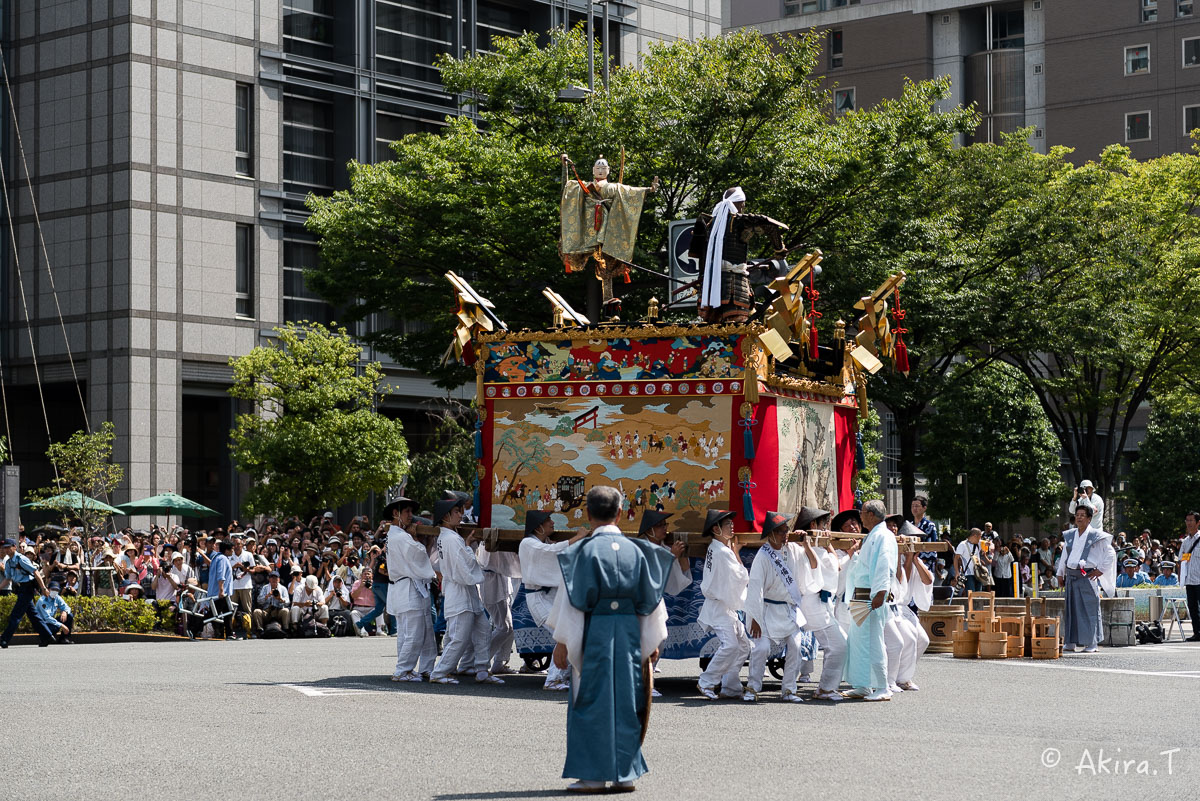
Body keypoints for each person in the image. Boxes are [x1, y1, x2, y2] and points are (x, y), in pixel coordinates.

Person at [546, 485, 672, 794]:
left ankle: (592, 776)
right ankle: (624, 774)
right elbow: (650, 602)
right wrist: (651, 640)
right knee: (627, 699)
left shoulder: (581, 553)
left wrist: (563, 642)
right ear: (619, 513)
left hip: (595, 630)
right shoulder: (638, 551)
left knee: (590, 698)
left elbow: (572, 602)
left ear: (588, 514)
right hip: (629, 630)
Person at [429, 496, 503, 685]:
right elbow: (464, 568)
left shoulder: (448, 537)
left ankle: (481, 669)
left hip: (465, 590)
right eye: (456, 512)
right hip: (459, 590)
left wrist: (467, 546)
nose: (460, 515)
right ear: (446, 516)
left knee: (484, 630)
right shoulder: (451, 539)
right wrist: (469, 548)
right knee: (459, 637)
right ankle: (440, 672)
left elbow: (462, 565)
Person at [744, 511, 815, 703]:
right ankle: (752, 687)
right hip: (765, 609)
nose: (786, 535)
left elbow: (812, 562)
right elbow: (755, 589)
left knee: (796, 645)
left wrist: (806, 543)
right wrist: (756, 619)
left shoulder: (792, 549)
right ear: (772, 533)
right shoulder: (763, 556)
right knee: (761, 648)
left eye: (787, 530)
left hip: (787, 609)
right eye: (782, 531)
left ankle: (789, 689)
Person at [692, 186, 788, 323]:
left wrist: (701, 278)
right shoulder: (739, 221)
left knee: (712, 325)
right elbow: (770, 226)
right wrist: (779, 250)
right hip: (734, 283)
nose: (743, 207)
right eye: (743, 204)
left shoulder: (709, 224)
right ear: (740, 203)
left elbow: (701, 254)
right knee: (737, 325)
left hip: (710, 284)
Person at [519, 509, 587, 691]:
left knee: (571, 634)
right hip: (538, 598)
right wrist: (577, 537)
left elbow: (556, 552)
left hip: (550, 597)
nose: (552, 522)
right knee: (565, 633)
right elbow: (550, 552)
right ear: (539, 525)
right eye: (548, 519)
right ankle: (552, 680)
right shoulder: (528, 543)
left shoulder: (543, 543)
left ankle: (561, 677)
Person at [843, 499, 897, 702]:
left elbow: (885, 565)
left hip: (872, 596)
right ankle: (863, 684)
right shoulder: (873, 536)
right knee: (858, 642)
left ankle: (882, 686)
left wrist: (881, 593)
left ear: (872, 515)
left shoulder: (883, 536)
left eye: (863, 512)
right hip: (861, 595)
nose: (860, 515)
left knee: (874, 641)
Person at [695, 509, 751, 701]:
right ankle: (706, 682)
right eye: (728, 524)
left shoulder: (718, 548)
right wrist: (736, 552)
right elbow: (741, 576)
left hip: (723, 604)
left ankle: (730, 685)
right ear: (716, 528)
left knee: (743, 646)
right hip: (720, 605)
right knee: (731, 646)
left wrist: (733, 551)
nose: (732, 526)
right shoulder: (722, 552)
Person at [796, 507, 848, 701]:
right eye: (823, 524)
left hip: (823, 603)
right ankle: (825, 689)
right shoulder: (802, 548)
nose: (826, 527)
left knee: (839, 644)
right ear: (813, 525)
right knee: (838, 645)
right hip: (813, 601)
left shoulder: (820, 547)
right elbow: (827, 566)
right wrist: (812, 545)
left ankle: (826, 687)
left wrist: (828, 545)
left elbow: (837, 565)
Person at [384, 497, 438, 682]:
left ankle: (424, 668)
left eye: (410, 511)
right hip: (408, 586)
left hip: (412, 585)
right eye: (406, 511)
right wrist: (417, 538)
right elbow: (419, 553)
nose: (410, 515)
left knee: (422, 631)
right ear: (395, 513)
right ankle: (403, 670)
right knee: (413, 633)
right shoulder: (400, 536)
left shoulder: (396, 535)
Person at [1055, 503, 1116, 653]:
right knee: (1071, 610)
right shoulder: (1070, 535)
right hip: (1071, 575)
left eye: (1083, 515)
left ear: (1089, 519)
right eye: (1077, 515)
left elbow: (1111, 553)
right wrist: (1060, 573)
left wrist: (1100, 570)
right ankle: (1070, 641)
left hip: (1087, 576)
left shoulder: (1096, 535)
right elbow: (1065, 555)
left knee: (1089, 609)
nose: (1079, 518)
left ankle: (1092, 642)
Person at [479, 529, 521, 675]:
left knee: (510, 626)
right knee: (504, 627)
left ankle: (499, 662)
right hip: (491, 582)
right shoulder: (492, 534)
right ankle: (481, 661)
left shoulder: (498, 533)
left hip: (502, 581)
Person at [1, 539, 54, 648]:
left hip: (27, 587)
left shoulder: (21, 559)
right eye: (4, 548)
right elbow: (8, 578)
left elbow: (35, 572)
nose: (6, 550)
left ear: (14, 547)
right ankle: (47, 635)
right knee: (33, 615)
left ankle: (4, 639)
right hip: (20, 588)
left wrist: (43, 588)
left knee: (15, 615)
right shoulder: (9, 562)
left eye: (8, 547)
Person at [204, 540, 235, 640]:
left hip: (222, 592)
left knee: (228, 612)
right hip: (220, 593)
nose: (233, 551)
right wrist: (221, 590)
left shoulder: (217, 557)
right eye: (232, 549)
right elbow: (221, 575)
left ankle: (229, 634)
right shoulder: (222, 559)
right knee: (212, 614)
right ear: (226, 550)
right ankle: (194, 628)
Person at [1181, 511, 1200, 641]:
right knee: (1193, 608)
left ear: (1198, 523)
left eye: (1191, 520)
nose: (1188, 523)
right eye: (1187, 520)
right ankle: (1197, 632)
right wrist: (1181, 577)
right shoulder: (1185, 541)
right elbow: (1182, 560)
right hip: (1189, 580)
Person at [253, 571, 290, 636]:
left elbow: (287, 602)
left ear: (278, 579)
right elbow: (259, 601)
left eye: (276, 578)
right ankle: (260, 630)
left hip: (278, 610)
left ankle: (285, 630)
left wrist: (280, 599)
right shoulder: (265, 588)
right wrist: (267, 596)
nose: (274, 580)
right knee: (256, 611)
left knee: (286, 611)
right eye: (272, 578)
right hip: (267, 611)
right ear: (269, 579)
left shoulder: (283, 588)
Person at [954, 528, 990, 595]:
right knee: (971, 594)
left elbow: (987, 543)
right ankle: (971, 606)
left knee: (979, 594)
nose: (980, 539)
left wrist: (987, 544)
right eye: (979, 537)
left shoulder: (979, 543)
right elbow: (956, 558)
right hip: (968, 573)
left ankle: (978, 606)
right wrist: (957, 572)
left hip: (978, 573)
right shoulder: (963, 544)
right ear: (975, 536)